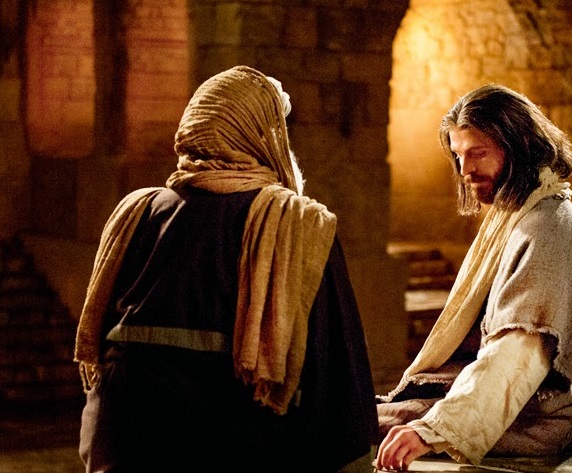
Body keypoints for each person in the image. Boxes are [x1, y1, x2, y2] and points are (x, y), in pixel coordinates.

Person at [74, 65, 378, 473]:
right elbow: (335, 373)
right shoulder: (293, 225)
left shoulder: (138, 214)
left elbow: (111, 369)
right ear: (259, 136)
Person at [375, 84, 572, 471]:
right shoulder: (517, 214)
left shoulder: (549, 229)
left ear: (520, 144)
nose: (465, 170)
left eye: (477, 153)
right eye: (458, 155)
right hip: (504, 404)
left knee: (351, 429)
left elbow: (517, 356)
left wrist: (432, 430)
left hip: (535, 421)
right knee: (348, 415)